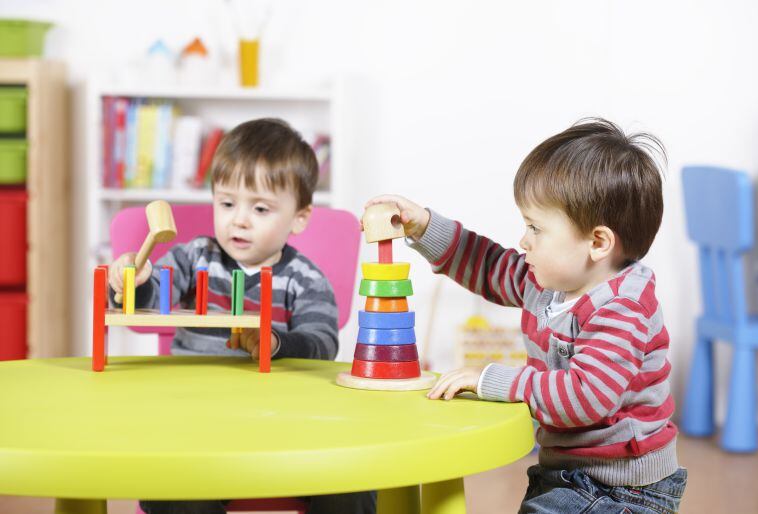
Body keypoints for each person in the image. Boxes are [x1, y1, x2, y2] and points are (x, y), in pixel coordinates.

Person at [367, 118, 686, 513]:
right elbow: (486, 264)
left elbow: (586, 396)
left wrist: (492, 380)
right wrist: (425, 227)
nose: (523, 240)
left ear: (598, 242)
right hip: (570, 473)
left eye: (536, 228)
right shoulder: (546, 283)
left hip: (621, 487)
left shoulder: (623, 308)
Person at [110, 118, 376, 514]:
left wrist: (276, 343)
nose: (239, 220)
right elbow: (147, 298)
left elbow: (322, 344)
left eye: (261, 208)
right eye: (227, 203)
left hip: (284, 431)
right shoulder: (194, 256)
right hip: (196, 429)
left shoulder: (304, 279)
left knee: (354, 483)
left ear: (299, 218)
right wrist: (135, 280)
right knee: (168, 487)